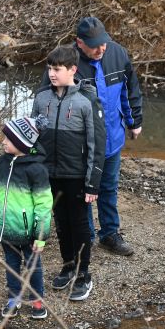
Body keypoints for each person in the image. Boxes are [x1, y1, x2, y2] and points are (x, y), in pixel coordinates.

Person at [41, 16, 143, 256]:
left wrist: (134, 121)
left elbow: (131, 90)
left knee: (108, 188)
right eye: (94, 45)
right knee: (82, 191)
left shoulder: (117, 54)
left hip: (111, 140)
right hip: (78, 146)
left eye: (103, 43)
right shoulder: (65, 63)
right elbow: (46, 101)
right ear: (79, 42)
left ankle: (110, 234)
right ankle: (85, 235)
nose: (101, 49)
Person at [32, 45, 106, 301]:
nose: (52, 74)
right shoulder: (42, 98)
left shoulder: (87, 100)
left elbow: (97, 144)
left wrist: (92, 184)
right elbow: (32, 136)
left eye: (57, 69)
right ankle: (68, 265)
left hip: (76, 176)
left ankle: (84, 275)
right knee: (61, 222)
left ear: (72, 70)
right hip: (50, 174)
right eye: (50, 68)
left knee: (79, 224)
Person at [0, 116, 53, 319]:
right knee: (11, 265)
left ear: (22, 143)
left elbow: (44, 205)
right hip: (5, 229)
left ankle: (37, 300)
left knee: (33, 267)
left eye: (8, 139)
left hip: (28, 233)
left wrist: (40, 235)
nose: (3, 141)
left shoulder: (36, 170)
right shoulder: (0, 164)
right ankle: (14, 299)